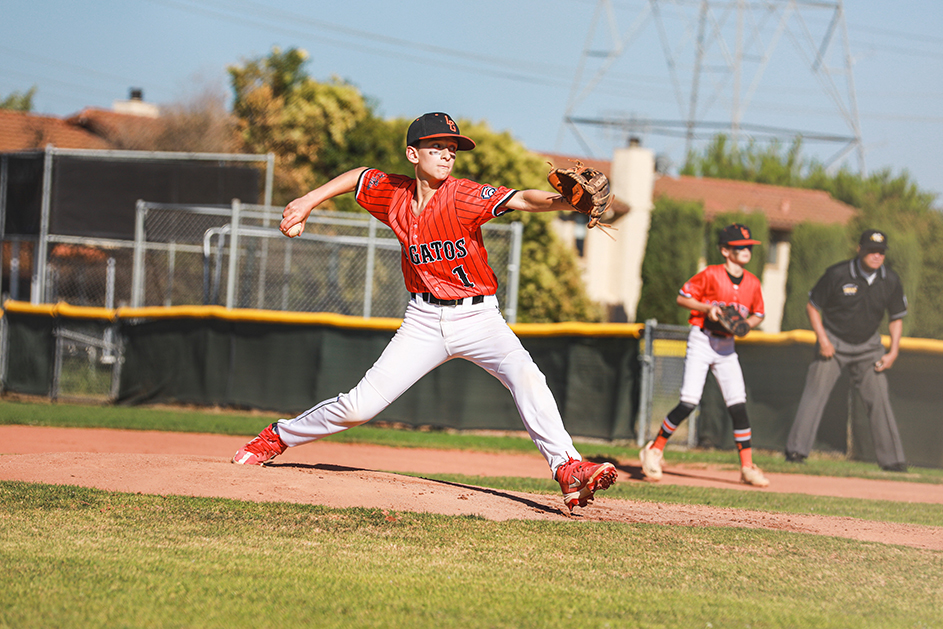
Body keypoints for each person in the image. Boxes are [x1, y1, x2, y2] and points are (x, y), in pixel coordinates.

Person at [231, 112, 617, 511]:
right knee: (359, 406)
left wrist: (565, 202)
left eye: (452, 149)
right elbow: (361, 175)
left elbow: (521, 198)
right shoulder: (393, 194)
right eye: (438, 148)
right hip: (423, 320)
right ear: (413, 154)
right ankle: (277, 436)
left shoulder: (464, 195)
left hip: (479, 318)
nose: (448, 155)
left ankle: (568, 468)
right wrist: (307, 201)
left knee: (526, 375)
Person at [639, 223, 770, 487]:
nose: (745, 250)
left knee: (738, 405)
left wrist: (746, 326)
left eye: (748, 246)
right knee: (689, 401)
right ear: (724, 250)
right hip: (702, 339)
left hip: (727, 347)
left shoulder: (752, 283)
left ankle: (747, 467)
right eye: (738, 246)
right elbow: (682, 297)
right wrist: (707, 308)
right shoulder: (711, 275)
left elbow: (759, 313)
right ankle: (654, 449)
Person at [785, 229, 908, 472]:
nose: (876, 256)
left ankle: (893, 461)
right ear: (859, 249)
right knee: (815, 392)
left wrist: (893, 351)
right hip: (834, 341)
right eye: (872, 250)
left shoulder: (890, 279)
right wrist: (822, 340)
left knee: (879, 398)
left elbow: (896, 318)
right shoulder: (838, 273)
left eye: (881, 252)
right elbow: (813, 306)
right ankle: (796, 451)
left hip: (868, 347)